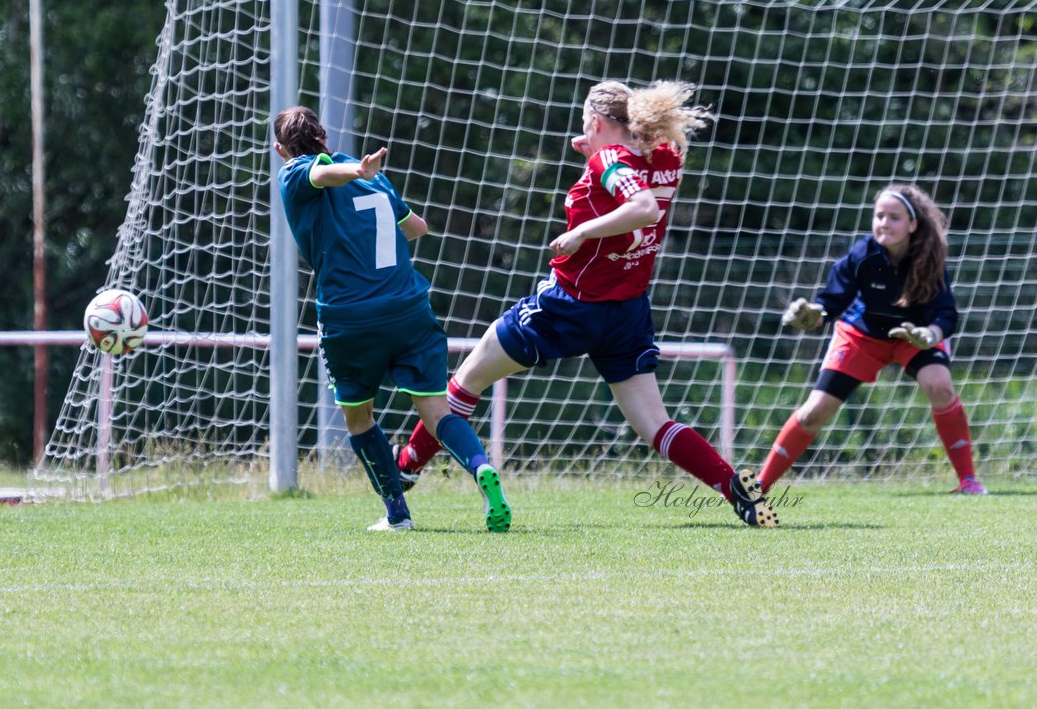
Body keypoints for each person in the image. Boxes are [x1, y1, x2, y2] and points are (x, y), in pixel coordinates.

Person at [395, 80, 779, 528]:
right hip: (626, 311)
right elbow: (640, 180)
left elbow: (642, 206)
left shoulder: (610, 160)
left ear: (596, 122)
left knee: (466, 381)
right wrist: (593, 156)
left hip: (567, 305)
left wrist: (581, 231)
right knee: (656, 424)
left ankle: (406, 467)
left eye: (585, 124)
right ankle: (737, 490)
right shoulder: (666, 156)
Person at [273, 105, 512, 532]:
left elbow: (319, 176)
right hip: (409, 307)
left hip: (351, 316)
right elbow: (417, 226)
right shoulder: (376, 179)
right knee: (437, 410)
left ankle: (397, 515)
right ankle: (481, 469)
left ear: (280, 150)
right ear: (325, 136)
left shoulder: (295, 172)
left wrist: (353, 176)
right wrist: (364, 183)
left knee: (358, 417)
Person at [762, 183, 987, 494]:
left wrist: (928, 335)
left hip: (914, 336)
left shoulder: (930, 258)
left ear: (912, 224)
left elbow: (945, 313)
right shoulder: (862, 254)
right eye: (879, 215)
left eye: (894, 217)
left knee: (940, 386)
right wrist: (815, 314)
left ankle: (969, 482)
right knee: (814, 412)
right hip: (862, 336)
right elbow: (831, 303)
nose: (884, 223)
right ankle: (758, 487)